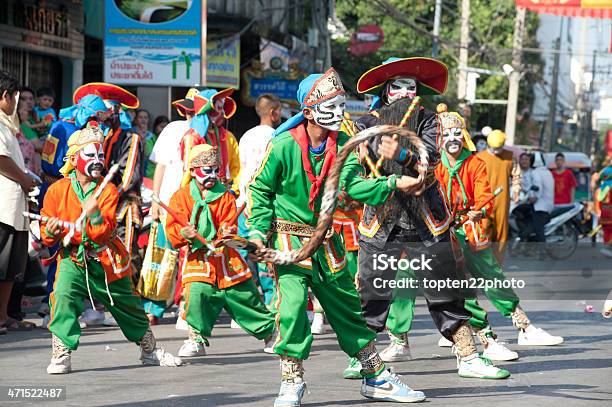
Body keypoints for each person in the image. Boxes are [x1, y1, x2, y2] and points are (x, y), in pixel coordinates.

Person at [248, 68, 427, 406]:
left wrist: (391, 183)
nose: (340, 112)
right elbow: (259, 190)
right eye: (332, 104)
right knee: (293, 305)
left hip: (328, 244)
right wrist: (258, 230)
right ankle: (291, 381)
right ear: (310, 109)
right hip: (291, 242)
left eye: (342, 104)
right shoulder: (283, 145)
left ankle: (375, 376)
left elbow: (353, 186)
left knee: (347, 310)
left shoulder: (344, 145)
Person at [353, 57, 507, 380]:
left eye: (412, 86)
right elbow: (358, 166)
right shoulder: (367, 121)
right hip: (381, 216)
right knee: (371, 288)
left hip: (425, 217)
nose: (406, 93)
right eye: (399, 86)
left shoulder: (428, 120)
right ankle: (363, 358)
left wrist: (402, 154)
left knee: (444, 287)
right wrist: (371, 156)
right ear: (386, 89)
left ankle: (468, 355)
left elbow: (432, 156)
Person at [40, 123, 181, 374]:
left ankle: (149, 349)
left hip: (105, 259)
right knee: (62, 296)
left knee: (126, 304)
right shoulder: (56, 191)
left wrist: (93, 215)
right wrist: (50, 231)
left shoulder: (108, 190)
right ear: (73, 158)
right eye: (90, 154)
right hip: (73, 259)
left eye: (101, 155)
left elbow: (102, 232)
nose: (98, 160)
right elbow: (48, 236)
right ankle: (61, 352)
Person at [433, 105, 563, 358]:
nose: (452, 139)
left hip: (470, 229)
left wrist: (477, 212)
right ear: (439, 137)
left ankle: (524, 326)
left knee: (492, 276)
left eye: (457, 133)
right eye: (446, 134)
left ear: (464, 135)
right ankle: (478, 337)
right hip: (443, 234)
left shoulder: (475, 163)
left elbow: (485, 197)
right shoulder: (434, 166)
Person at [165, 144, 277, 357]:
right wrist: (184, 233)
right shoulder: (181, 197)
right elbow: (172, 228)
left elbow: (230, 224)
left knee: (245, 297)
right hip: (199, 258)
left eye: (216, 170)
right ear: (192, 171)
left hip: (226, 258)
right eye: (207, 170)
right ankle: (195, 338)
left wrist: (227, 230)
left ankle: (270, 333)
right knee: (196, 294)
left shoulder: (225, 196)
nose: (212, 175)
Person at [148, 88, 199, 324]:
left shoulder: (208, 132)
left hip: (196, 205)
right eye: (189, 109)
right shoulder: (172, 129)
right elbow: (161, 166)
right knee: (162, 256)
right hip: (169, 202)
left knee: (192, 256)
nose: (191, 114)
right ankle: (153, 308)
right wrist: (155, 201)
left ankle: (186, 306)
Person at [0, 71, 37, 334]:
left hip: (15, 207)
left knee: (13, 268)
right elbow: (1, 159)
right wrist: (24, 179)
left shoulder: (8, 126)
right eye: (15, 97)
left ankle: (4, 316)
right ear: (5, 96)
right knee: (3, 265)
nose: (16, 103)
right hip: (4, 206)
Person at [237, 93, 282, 306]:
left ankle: (249, 305)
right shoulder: (277, 136)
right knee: (266, 255)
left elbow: (241, 168)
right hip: (266, 205)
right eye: (279, 110)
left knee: (245, 255)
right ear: (273, 113)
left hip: (244, 203)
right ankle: (273, 303)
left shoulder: (246, 136)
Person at [179, 88, 240, 195]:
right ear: (208, 109)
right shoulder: (192, 137)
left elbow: (236, 170)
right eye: (219, 108)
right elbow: (188, 173)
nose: (223, 112)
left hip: (223, 197)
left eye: (223, 108)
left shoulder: (228, 137)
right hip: (198, 198)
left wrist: (234, 191)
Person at [476, 130, 521, 264]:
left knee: (501, 233)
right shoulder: (479, 157)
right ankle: (483, 263)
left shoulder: (510, 157)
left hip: (502, 200)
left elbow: (516, 176)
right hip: (483, 200)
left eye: (499, 148)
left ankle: (497, 265)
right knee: (483, 231)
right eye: (494, 148)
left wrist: (516, 191)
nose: (496, 151)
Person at [132, 109, 157, 179]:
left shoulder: (152, 136)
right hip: (134, 171)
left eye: (145, 117)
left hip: (149, 173)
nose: (143, 120)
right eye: (140, 117)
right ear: (136, 119)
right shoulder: (130, 133)